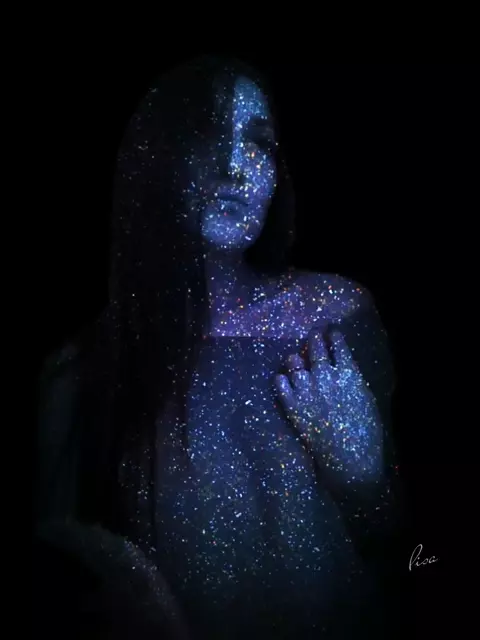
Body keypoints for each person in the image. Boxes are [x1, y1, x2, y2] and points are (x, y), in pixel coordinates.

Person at [35, 56, 400, 639]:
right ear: (156, 157)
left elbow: (427, 560)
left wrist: (366, 483)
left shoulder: (335, 319)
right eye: (206, 135)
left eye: (259, 143)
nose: (236, 167)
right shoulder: (84, 370)